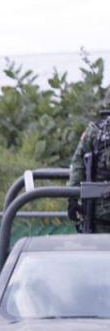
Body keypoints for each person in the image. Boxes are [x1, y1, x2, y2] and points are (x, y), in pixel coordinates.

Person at [67, 96, 110, 232]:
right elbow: (78, 164)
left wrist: (72, 197)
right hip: (99, 218)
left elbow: (78, 165)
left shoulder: (95, 132)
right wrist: (72, 198)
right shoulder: (95, 132)